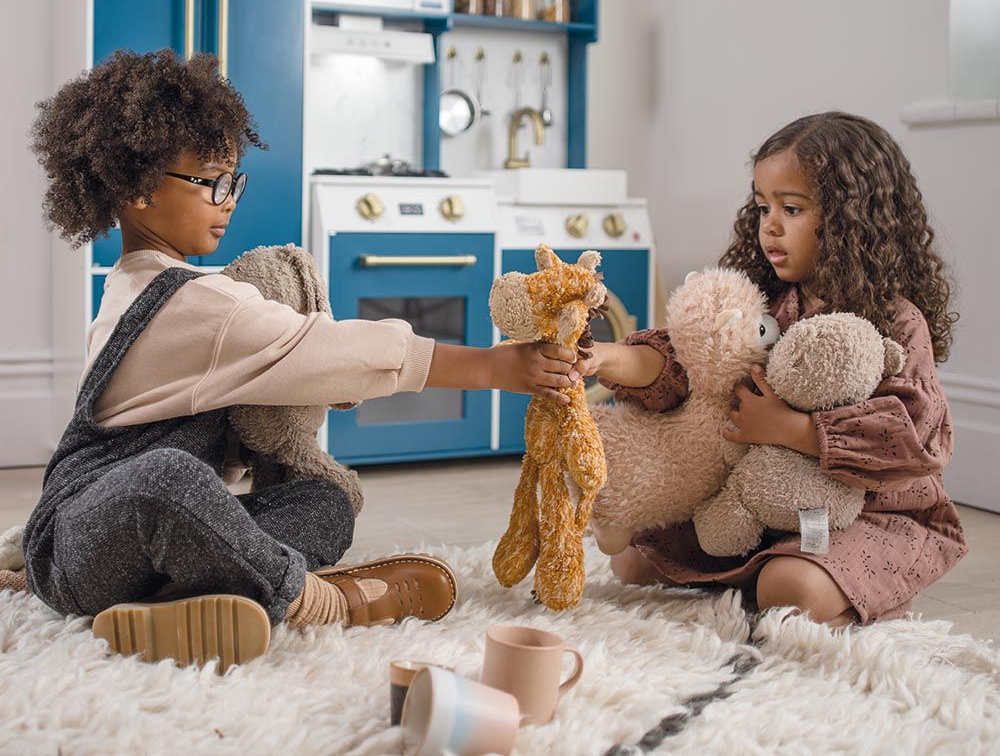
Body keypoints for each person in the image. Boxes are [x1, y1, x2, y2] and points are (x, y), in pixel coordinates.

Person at [23, 49, 578, 670]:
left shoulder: (150, 285)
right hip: (83, 545)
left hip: (138, 554)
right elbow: (333, 352)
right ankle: (319, 601)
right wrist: (493, 367)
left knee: (323, 503)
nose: (228, 200)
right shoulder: (191, 305)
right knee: (169, 482)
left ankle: (178, 602)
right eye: (211, 182)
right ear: (135, 191)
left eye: (233, 181)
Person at [579, 112, 968, 626]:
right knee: (633, 559)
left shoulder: (895, 322)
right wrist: (604, 357)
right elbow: (684, 357)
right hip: (756, 501)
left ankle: (854, 587)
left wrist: (793, 430)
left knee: (788, 589)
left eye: (792, 208)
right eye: (763, 207)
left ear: (855, 217)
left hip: (865, 513)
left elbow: (917, 436)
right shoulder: (765, 303)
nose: (771, 226)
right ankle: (765, 569)